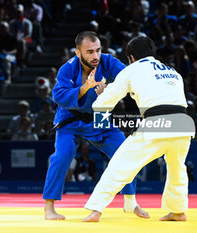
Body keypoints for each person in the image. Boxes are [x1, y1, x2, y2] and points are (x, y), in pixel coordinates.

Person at [83, 36, 195, 222]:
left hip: (157, 123)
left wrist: (101, 124)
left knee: (120, 164)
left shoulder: (133, 69)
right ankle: (178, 211)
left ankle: (96, 209)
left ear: (131, 57)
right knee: (177, 167)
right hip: (184, 123)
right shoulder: (172, 71)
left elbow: (106, 100)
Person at [43, 31, 148, 220]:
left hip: (98, 118)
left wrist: (112, 90)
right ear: (78, 53)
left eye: (98, 50)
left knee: (124, 152)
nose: (95, 56)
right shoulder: (67, 69)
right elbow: (59, 96)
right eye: (90, 52)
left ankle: (131, 203)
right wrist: (85, 87)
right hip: (70, 118)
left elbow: (129, 77)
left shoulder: (108, 62)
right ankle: (49, 207)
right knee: (62, 155)